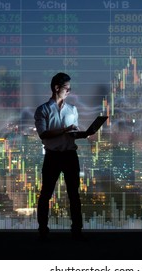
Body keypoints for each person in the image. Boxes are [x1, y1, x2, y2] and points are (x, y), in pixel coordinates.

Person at [34, 72, 87, 241]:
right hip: (53, 157)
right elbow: (44, 134)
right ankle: (43, 229)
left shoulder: (72, 110)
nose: (69, 91)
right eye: (67, 88)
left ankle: (77, 229)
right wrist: (65, 129)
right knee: (46, 194)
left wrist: (83, 134)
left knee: (74, 194)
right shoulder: (42, 110)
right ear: (57, 88)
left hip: (71, 155)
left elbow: (72, 133)